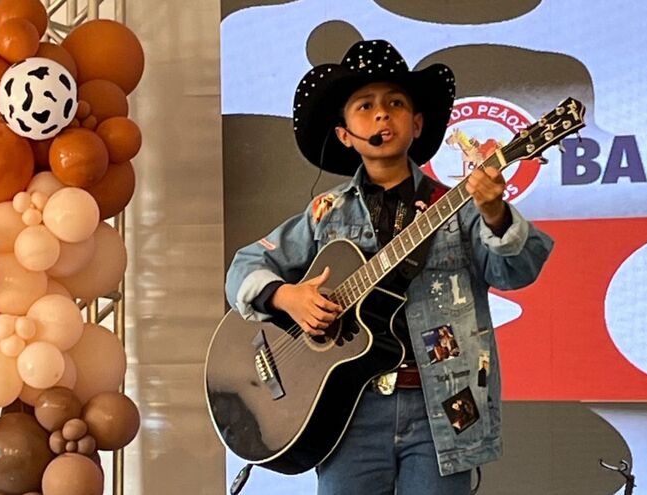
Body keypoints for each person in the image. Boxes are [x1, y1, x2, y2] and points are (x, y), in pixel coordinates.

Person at [225, 39, 553, 495]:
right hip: (350, 414)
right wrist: (288, 296)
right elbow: (246, 265)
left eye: (396, 103)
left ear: (416, 125)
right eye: (365, 106)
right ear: (344, 134)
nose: (382, 115)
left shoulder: (457, 208)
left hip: (442, 408)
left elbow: (518, 271)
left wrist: (495, 211)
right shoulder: (326, 212)